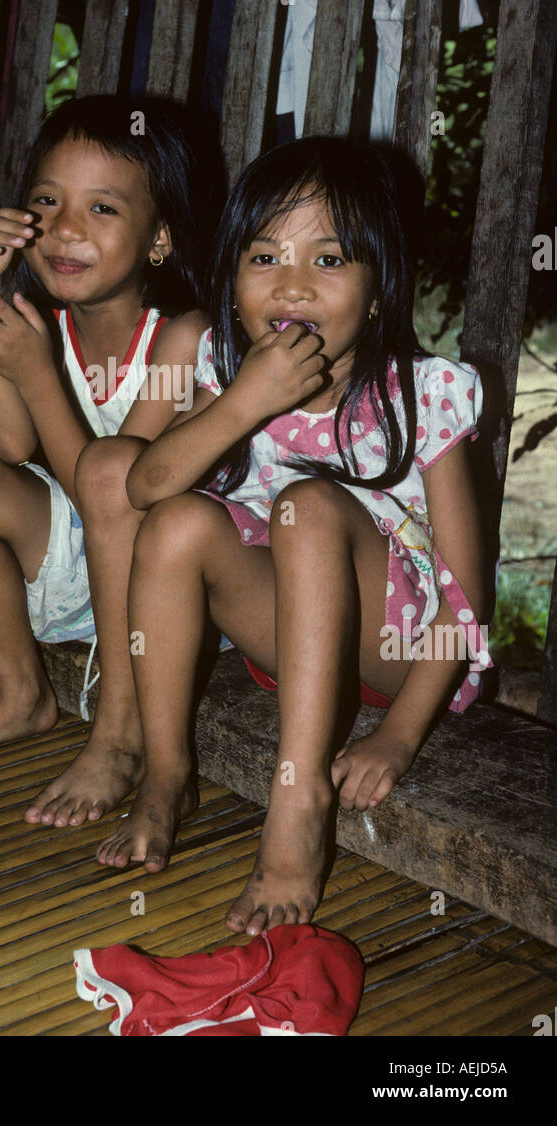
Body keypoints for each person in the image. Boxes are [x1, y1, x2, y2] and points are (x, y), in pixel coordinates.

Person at [93, 136, 495, 934]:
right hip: (295, 640)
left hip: (405, 650)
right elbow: (141, 487)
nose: (293, 285)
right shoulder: (222, 370)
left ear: (379, 289)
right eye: (265, 255)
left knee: (306, 505)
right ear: (232, 281)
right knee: (177, 522)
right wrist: (244, 402)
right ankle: (166, 774)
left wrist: (399, 736)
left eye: (330, 259)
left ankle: (296, 801)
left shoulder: (426, 392)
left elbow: (465, 593)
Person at [0, 95, 218, 774]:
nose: (63, 228)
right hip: (79, 559)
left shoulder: (182, 339)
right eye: (45, 203)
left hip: (162, 582)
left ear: (159, 238)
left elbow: (120, 495)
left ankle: (120, 734)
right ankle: (21, 695)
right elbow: (12, 448)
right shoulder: (44, 326)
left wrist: (37, 373)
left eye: (101, 208)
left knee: (113, 468)